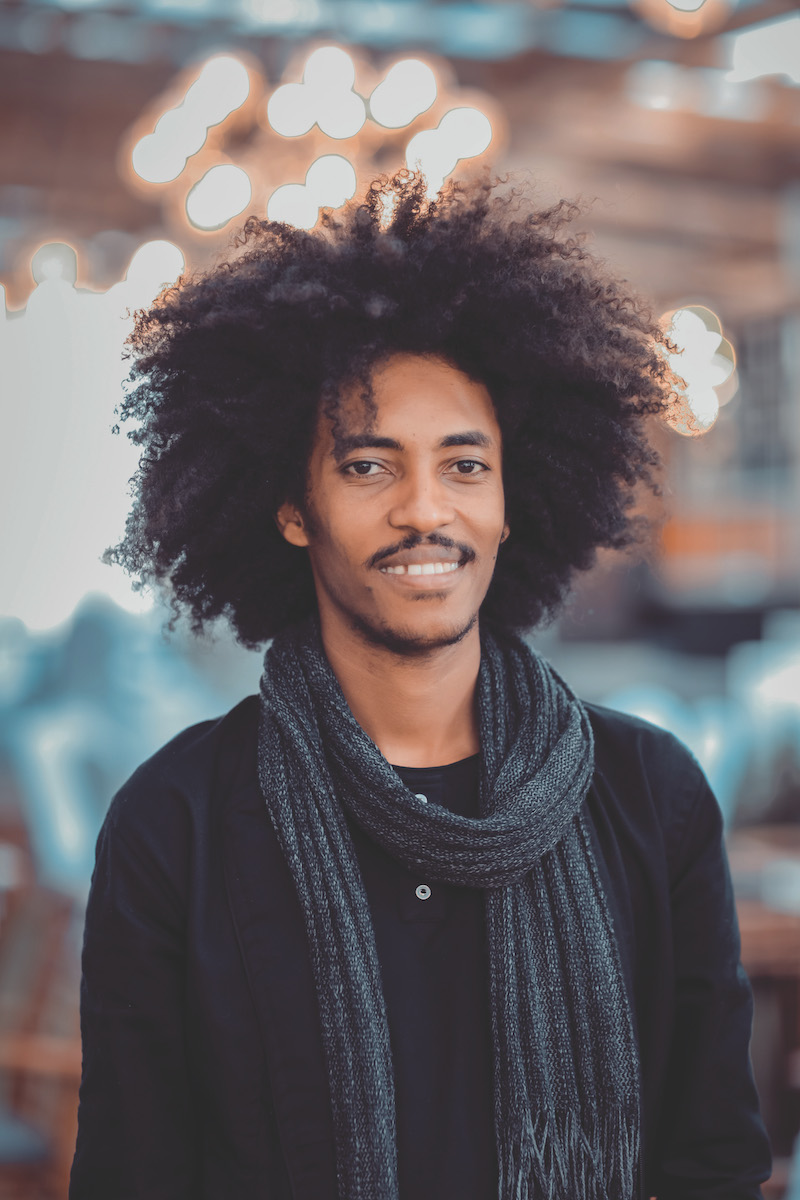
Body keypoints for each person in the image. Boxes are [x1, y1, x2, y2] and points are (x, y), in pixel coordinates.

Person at [69, 171, 771, 1200]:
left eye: (462, 465)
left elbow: (710, 1161)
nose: (422, 511)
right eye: (366, 466)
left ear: (509, 502)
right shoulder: (176, 822)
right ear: (290, 507)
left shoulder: (649, 795)